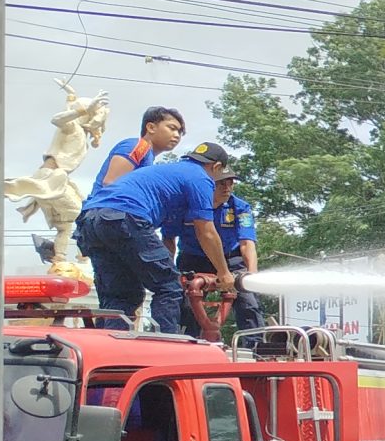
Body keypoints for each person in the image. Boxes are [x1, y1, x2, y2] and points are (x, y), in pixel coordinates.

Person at [75, 143, 236, 334]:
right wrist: (224, 273)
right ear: (217, 167)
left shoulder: (168, 174)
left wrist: (163, 265)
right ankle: (166, 346)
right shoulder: (201, 178)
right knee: (169, 286)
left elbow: (167, 238)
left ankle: (111, 345)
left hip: (90, 221)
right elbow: (206, 231)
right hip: (125, 217)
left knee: (121, 295)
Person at [173, 176, 262, 339]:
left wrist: (252, 275)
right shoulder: (186, 205)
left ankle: (256, 345)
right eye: (221, 183)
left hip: (230, 259)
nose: (227, 188)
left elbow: (247, 243)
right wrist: (169, 273)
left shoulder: (240, 208)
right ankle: (185, 342)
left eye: (230, 183)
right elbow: (168, 237)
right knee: (185, 304)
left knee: (249, 302)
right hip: (193, 258)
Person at [94, 106, 184, 189]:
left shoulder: (148, 156)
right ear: (151, 127)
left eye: (180, 132)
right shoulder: (138, 146)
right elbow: (111, 184)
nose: (177, 135)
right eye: (172, 128)